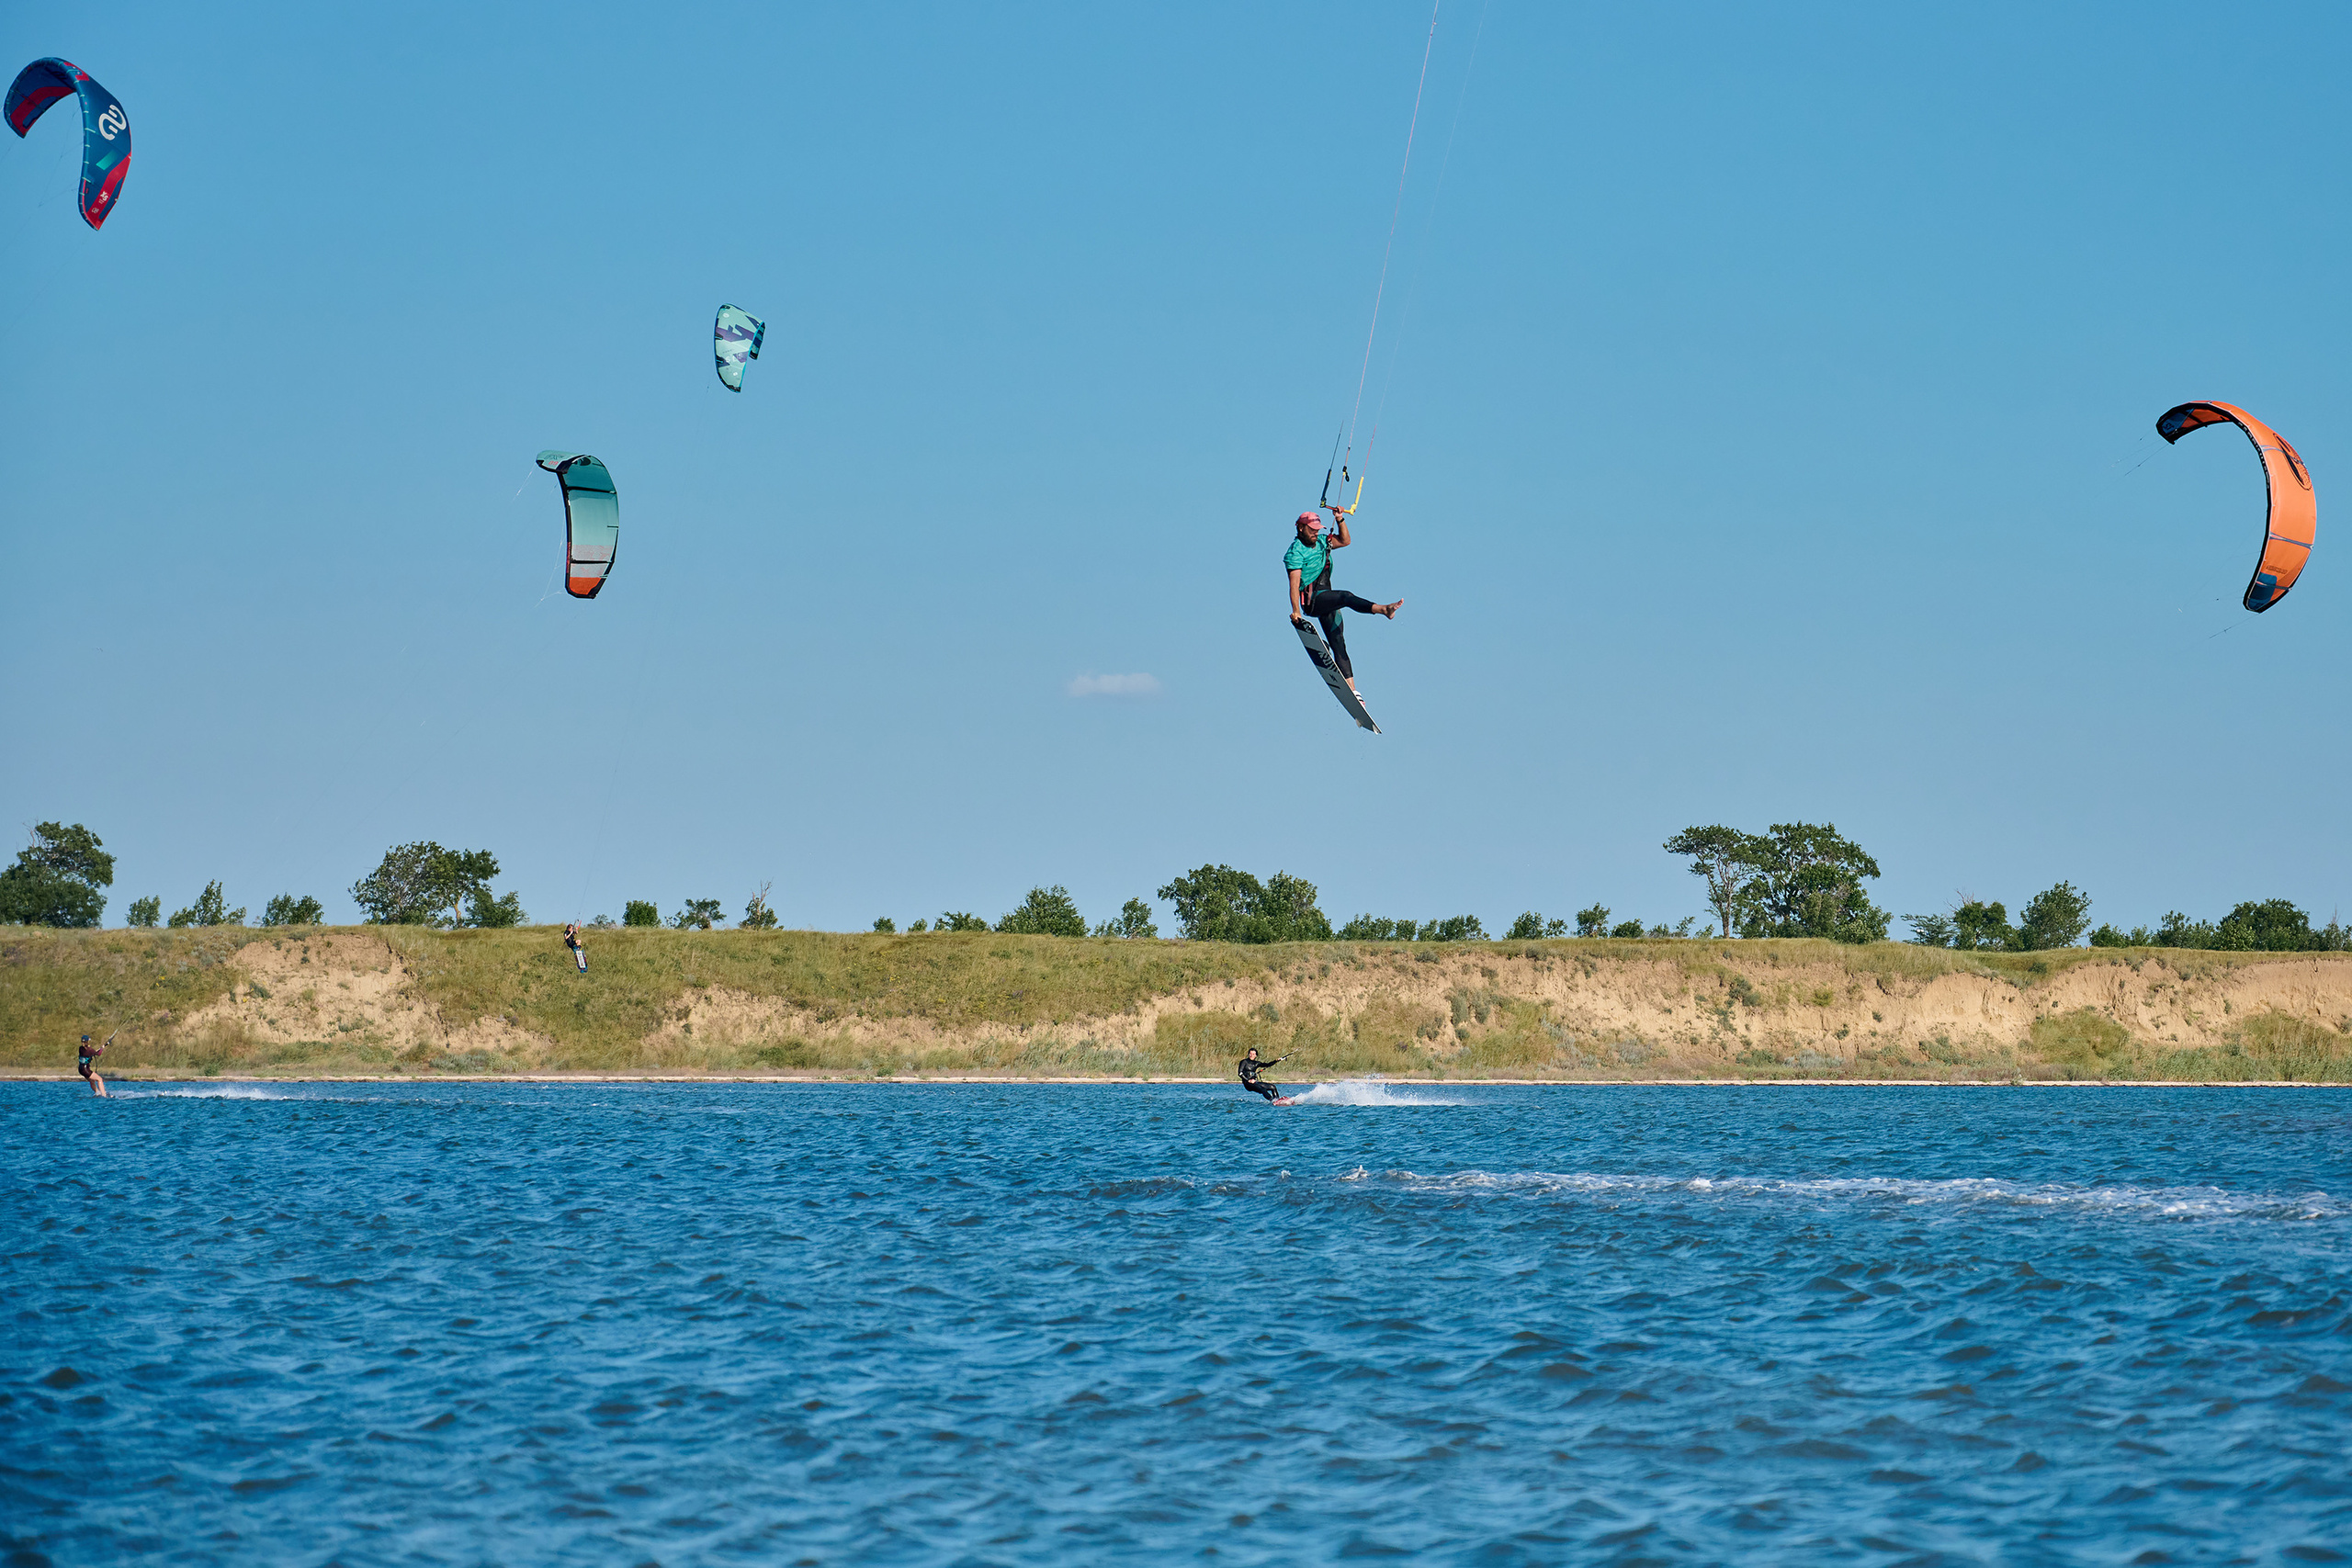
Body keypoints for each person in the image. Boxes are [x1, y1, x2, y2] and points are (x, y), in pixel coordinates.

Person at [1284, 508, 1401, 698]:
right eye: (1312, 529)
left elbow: (1346, 541)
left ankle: (1352, 691)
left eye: (1317, 529)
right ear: (1300, 528)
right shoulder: (1295, 552)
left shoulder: (1323, 542)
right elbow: (1294, 585)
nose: (1315, 533)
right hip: (1313, 601)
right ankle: (1383, 609)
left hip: (1327, 601)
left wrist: (1340, 519)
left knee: (1339, 642)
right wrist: (1296, 611)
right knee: (1345, 597)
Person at [77, 1033, 106, 1098]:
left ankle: (97, 1093)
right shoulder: (90, 1050)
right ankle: (104, 1095)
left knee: (92, 1080)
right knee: (100, 1079)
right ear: (88, 1042)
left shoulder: (81, 1048)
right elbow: (98, 1054)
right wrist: (102, 1048)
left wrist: (96, 1051)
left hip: (80, 1069)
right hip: (85, 1070)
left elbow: (91, 1053)